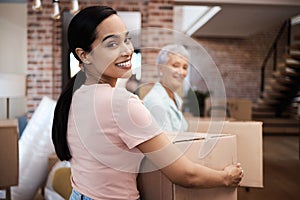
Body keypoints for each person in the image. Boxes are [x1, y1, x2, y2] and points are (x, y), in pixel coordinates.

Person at [52, 6, 244, 200]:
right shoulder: (121, 103)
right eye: (112, 44)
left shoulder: (75, 95)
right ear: (84, 55)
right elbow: (185, 174)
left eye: (126, 39)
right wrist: (227, 177)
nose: (127, 50)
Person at [143, 44, 189, 132]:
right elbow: (167, 143)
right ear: (160, 68)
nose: (181, 72)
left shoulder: (174, 98)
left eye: (185, 67)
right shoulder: (156, 102)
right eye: (175, 65)